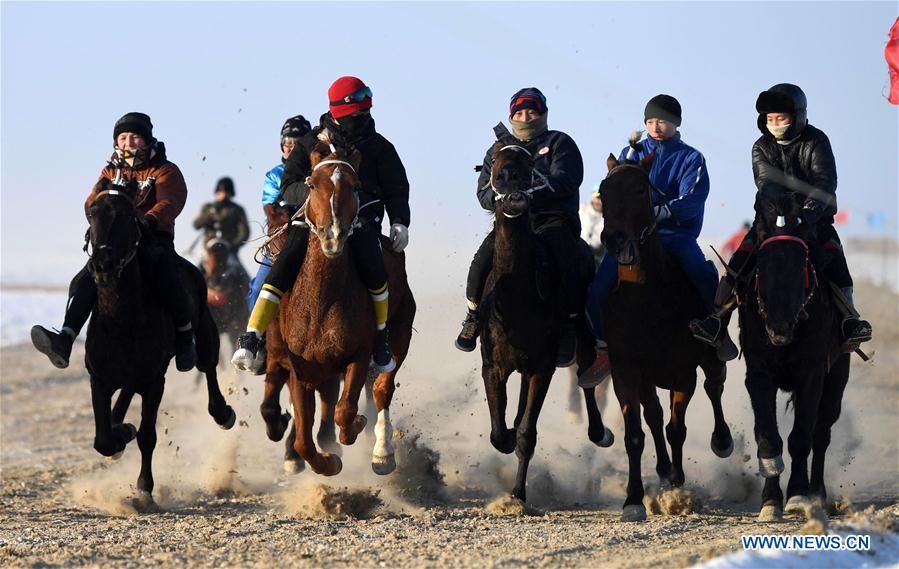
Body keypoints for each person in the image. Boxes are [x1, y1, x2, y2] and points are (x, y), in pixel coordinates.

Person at [232, 77, 410, 374]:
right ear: (340, 112)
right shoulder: (310, 144)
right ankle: (253, 336)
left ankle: (380, 339)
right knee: (284, 262)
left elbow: (396, 187)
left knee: (377, 269)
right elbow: (287, 185)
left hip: (361, 223)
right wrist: (320, 193)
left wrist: (400, 221)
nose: (363, 118)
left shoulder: (380, 147)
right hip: (313, 225)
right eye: (357, 115)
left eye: (366, 113)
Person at [689, 83, 872, 355]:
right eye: (769, 119)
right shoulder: (760, 147)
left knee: (835, 259)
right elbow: (766, 184)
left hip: (814, 220)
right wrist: (782, 215)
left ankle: (849, 322)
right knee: (740, 262)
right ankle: (717, 321)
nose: (774, 124)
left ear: (797, 115)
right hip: (771, 220)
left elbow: (824, 183)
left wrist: (806, 215)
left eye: (781, 118)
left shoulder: (817, 140)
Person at [31, 112, 197, 371]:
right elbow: (92, 201)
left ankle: (185, 339)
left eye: (134, 137)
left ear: (146, 140)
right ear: (116, 142)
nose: (128, 143)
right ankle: (65, 338)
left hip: (153, 238)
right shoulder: (110, 170)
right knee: (84, 279)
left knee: (167, 274)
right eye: (123, 138)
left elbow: (172, 200)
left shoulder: (165, 169)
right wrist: (99, 220)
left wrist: (149, 220)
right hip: (118, 245)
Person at [454, 87, 586, 367]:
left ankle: (569, 326)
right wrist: (504, 198)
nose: (526, 116)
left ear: (542, 114)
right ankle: (473, 316)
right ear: (511, 115)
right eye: (520, 112)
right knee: (482, 259)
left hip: (552, 219)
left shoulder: (560, 142)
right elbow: (484, 195)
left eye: (532, 111)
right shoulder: (499, 149)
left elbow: (567, 180)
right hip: (512, 223)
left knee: (571, 258)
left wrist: (531, 192)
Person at [586, 94, 722, 361]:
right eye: (650, 121)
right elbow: (617, 191)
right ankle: (600, 346)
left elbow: (692, 199)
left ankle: (715, 331)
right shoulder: (629, 153)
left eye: (662, 121)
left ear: (676, 124)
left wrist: (660, 211)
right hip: (631, 238)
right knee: (597, 289)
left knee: (702, 273)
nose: (656, 127)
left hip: (676, 235)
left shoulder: (691, 158)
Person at [246, 115, 312, 311]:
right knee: (258, 289)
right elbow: (271, 208)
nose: (291, 147)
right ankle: (253, 338)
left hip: (314, 235)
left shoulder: (317, 171)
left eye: (297, 143)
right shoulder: (275, 174)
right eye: (287, 142)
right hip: (282, 240)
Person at [193, 176, 250, 259]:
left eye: (226, 192)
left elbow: (244, 233)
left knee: (241, 271)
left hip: (229, 252)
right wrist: (208, 217)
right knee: (196, 271)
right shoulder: (208, 207)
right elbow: (196, 225)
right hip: (208, 251)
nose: (223, 195)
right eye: (221, 192)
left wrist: (232, 246)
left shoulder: (237, 210)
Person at [580, 186, 605, 264]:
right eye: (597, 197)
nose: (599, 201)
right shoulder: (581, 211)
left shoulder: (609, 219)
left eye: (601, 198)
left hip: (598, 259)